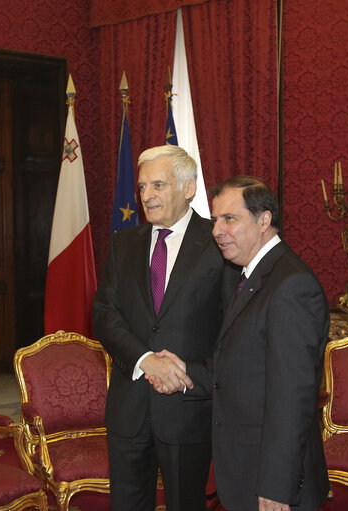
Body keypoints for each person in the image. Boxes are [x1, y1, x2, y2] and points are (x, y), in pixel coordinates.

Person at [151, 175, 330, 511]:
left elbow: (292, 399)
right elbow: (239, 369)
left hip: (272, 483)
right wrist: (184, 371)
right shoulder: (253, 276)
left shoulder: (291, 286)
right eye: (215, 219)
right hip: (247, 469)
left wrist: (277, 486)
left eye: (229, 219)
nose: (217, 230)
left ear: (264, 220)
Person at [92, 145, 237, 511]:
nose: (146, 196)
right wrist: (145, 360)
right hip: (130, 407)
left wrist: (197, 374)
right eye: (142, 187)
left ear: (189, 189)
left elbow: (232, 327)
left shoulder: (219, 243)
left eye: (158, 185)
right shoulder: (123, 244)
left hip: (188, 406)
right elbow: (105, 315)